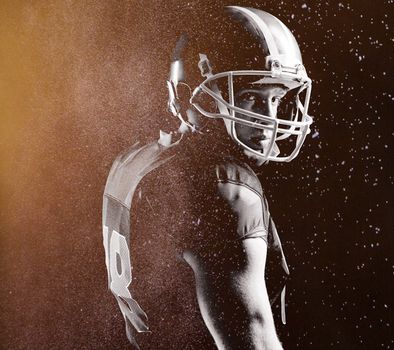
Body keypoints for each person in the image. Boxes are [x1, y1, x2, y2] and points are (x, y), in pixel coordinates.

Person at [101, 6, 312, 349]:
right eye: (249, 98)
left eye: (275, 99)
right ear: (192, 97)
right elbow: (252, 340)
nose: (268, 118)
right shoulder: (224, 186)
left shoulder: (131, 162)